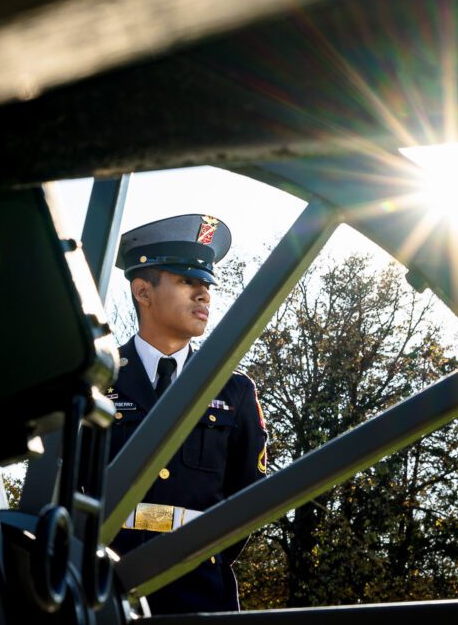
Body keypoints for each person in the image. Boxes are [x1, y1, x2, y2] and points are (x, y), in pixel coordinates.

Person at [106, 213, 268, 615]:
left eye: (206, 285)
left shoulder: (234, 391)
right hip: (103, 585)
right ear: (143, 292)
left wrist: (202, 549)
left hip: (198, 591)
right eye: (186, 282)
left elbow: (249, 492)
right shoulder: (97, 379)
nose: (204, 295)